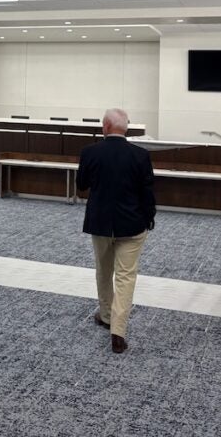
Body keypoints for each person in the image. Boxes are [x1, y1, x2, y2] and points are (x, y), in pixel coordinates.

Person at [77, 107, 156, 354]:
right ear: (126, 128)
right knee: (125, 277)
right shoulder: (141, 156)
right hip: (132, 225)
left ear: (106, 127)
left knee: (104, 271)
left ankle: (106, 316)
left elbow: (81, 185)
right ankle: (118, 333)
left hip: (100, 223)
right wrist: (149, 218)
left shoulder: (90, 152)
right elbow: (148, 193)